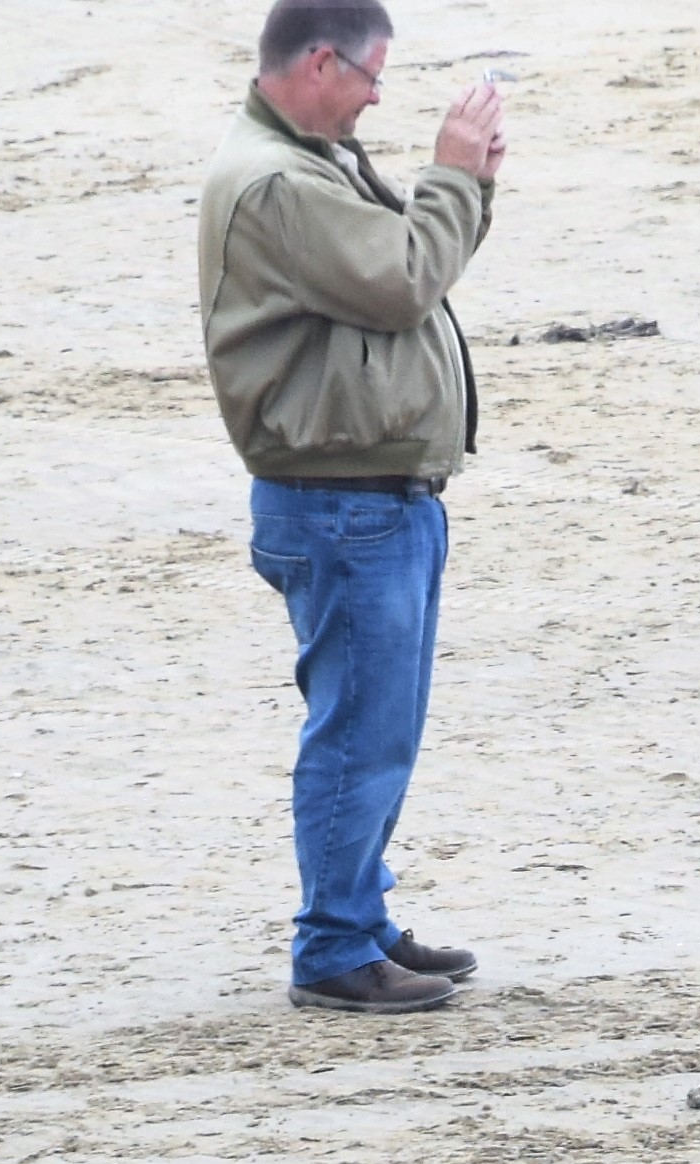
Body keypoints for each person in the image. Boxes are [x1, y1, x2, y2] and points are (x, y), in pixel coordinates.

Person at [197, 0, 500, 1017]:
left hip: (367, 497)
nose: (377, 97)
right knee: (360, 735)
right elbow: (405, 280)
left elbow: (404, 269)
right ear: (322, 62)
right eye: (372, 77)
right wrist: (453, 174)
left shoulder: (306, 161)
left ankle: (359, 919)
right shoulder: (281, 181)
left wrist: (470, 185)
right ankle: (333, 946)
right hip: (342, 504)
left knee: (380, 731)